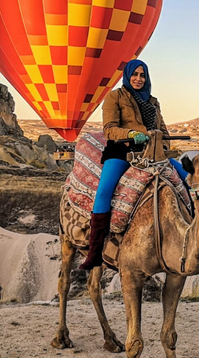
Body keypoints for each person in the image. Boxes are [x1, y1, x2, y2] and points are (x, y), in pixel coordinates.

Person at [79, 59, 190, 270]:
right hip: (122, 151)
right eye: (135, 74)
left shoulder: (153, 102)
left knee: (188, 177)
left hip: (152, 153)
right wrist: (131, 134)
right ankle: (95, 251)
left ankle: (195, 230)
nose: (138, 79)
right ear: (127, 76)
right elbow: (109, 129)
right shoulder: (115, 97)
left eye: (142, 75)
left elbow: (163, 131)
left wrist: (162, 144)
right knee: (104, 192)